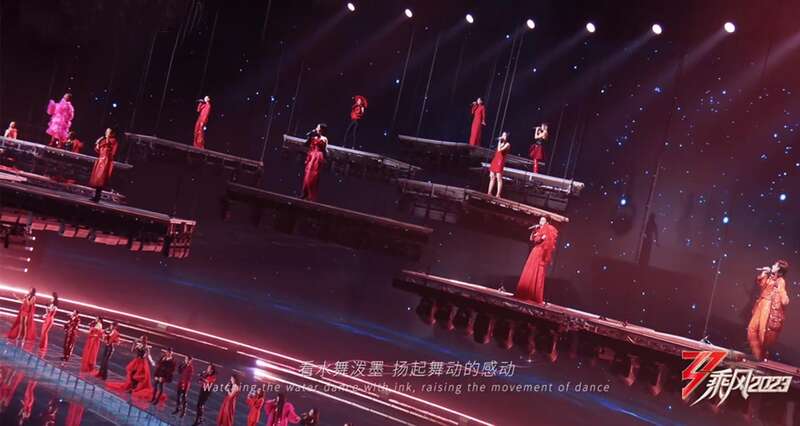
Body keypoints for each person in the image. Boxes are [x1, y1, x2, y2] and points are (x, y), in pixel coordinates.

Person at [747, 260, 790, 360]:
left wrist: (784, 298)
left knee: (763, 332)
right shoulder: (770, 277)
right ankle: (757, 354)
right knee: (751, 329)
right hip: (761, 303)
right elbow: (762, 286)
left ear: (779, 270)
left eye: (775, 265)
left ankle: (760, 356)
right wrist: (764, 273)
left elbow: (782, 293)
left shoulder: (780, 281)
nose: (773, 266)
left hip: (768, 305)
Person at [516, 216, 559, 303]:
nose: (541, 221)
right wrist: (535, 232)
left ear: (546, 222)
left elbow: (542, 241)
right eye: (540, 220)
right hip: (535, 252)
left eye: (543, 220)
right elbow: (532, 239)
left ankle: (534, 294)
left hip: (540, 252)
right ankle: (526, 291)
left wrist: (540, 238)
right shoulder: (538, 229)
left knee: (538, 271)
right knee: (531, 270)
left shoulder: (548, 230)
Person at [88, 128, 118, 202]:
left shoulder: (113, 141)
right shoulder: (104, 140)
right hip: (101, 160)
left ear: (113, 133)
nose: (106, 133)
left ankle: (97, 197)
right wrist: (98, 143)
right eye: (106, 132)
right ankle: (96, 196)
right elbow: (98, 150)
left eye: (108, 132)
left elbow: (112, 151)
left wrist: (106, 139)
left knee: (101, 179)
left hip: (106, 161)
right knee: (97, 179)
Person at [301, 123, 328, 202]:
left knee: (314, 175)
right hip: (311, 156)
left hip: (318, 157)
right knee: (307, 174)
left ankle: (311, 196)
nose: (316, 128)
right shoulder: (313, 136)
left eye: (318, 127)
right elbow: (305, 144)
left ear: (321, 129)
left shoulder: (324, 138)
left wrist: (325, 159)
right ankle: (304, 194)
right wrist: (309, 136)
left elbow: (324, 149)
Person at [488, 132, 511, 197]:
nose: (503, 136)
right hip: (495, 160)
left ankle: (498, 194)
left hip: (500, 161)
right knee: (492, 176)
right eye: (502, 135)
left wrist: (499, 141)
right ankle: (489, 192)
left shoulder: (507, 144)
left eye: (504, 135)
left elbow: (499, 150)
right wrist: (499, 142)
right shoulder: (501, 143)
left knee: (498, 177)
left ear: (507, 137)